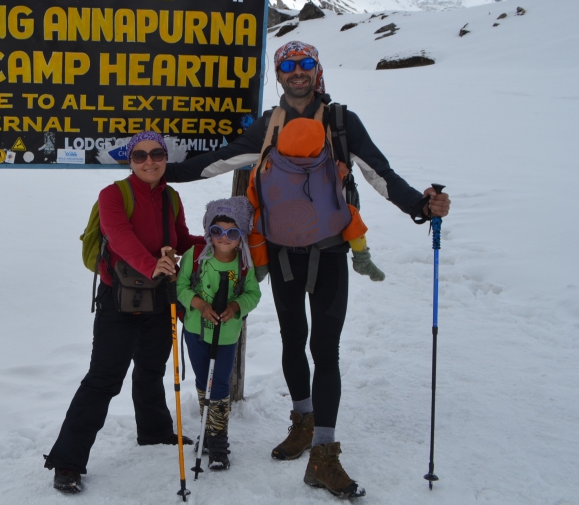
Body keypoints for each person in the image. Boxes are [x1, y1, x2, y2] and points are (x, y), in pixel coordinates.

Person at [165, 40, 451, 499]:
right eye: (288, 65)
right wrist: (161, 171)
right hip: (280, 253)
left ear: (317, 71)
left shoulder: (341, 122)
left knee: (326, 347)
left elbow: (380, 173)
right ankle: (303, 420)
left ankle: (324, 454)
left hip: (331, 251)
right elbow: (217, 162)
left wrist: (420, 205)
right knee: (293, 340)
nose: (297, 72)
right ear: (278, 76)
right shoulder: (269, 125)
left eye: (305, 64)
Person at [44, 131, 205, 494]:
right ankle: (67, 462)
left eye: (157, 154)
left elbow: (180, 240)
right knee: (104, 378)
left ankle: (154, 431)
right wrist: (151, 266)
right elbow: (118, 237)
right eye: (140, 155)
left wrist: (219, 237)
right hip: (119, 297)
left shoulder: (170, 196)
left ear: (165, 157)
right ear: (130, 160)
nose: (150, 161)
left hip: (159, 297)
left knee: (151, 368)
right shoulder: (113, 195)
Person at [175, 196, 261, 471]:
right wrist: (198, 304)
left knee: (220, 385)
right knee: (203, 381)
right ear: (208, 232)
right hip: (195, 330)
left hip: (225, 335)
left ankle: (218, 439)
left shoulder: (244, 263)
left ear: (241, 236)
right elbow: (181, 287)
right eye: (216, 231)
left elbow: (253, 294)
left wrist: (236, 306)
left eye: (232, 233)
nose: (223, 238)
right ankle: (207, 430)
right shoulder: (195, 256)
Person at [244, 117, 384, 282]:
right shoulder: (329, 167)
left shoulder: (264, 169)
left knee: (255, 223)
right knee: (351, 214)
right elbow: (333, 187)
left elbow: (253, 199)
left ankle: (260, 267)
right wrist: (342, 173)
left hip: (278, 230)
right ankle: (362, 258)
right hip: (322, 227)